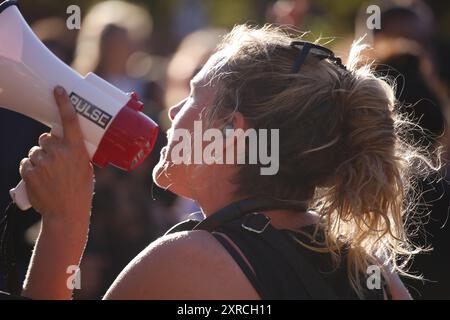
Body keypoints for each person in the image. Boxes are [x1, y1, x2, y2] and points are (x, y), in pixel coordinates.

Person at [17, 25, 436, 300]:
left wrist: (62, 221)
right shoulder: (375, 274)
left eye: (195, 96)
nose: (174, 109)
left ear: (230, 133)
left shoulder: (185, 261)